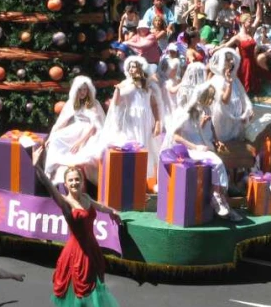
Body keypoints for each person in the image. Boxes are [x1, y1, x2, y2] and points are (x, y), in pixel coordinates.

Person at [34, 150, 120, 307]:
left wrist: (113, 212)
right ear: (66, 183)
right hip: (76, 253)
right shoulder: (65, 203)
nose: (74, 183)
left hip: (92, 250)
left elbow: (98, 206)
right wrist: (37, 165)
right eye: (70, 180)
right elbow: (46, 184)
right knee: (83, 294)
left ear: (82, 181)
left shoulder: (87, 197)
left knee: (87, 294)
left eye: (77, 179)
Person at [163, 84, 240, 220]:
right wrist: (194, 146)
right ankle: (216, 196)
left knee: (222, 161)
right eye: (209, 98)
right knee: (217, 162)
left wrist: (216, 140)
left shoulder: (206, 109)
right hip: (191, 148)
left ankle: (222, 196)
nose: (211, 101)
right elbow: (177, 136)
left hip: (205, 145)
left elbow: (211, 128)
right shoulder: (188, 113)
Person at [101, 56, 163, 188]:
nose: (131, 69)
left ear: (140, 68)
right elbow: (116, 103)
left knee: (147, 147)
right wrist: (117, 90)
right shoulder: (125, 84)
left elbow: (154, 105)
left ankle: (143, 182)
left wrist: (157, 122)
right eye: (129, 67)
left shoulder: (147, 85)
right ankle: (131, 182)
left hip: (145, 120)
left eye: (134, 66)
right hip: (132, 121)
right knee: (135, 145)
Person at [44, 76, 106, 185]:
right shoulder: (72, 103)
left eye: (85, 90)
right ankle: (51, 170)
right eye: (80, 90)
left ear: (89, 90)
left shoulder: (93, 103)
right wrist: (51, 136)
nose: (82, 92)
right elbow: (61, 122)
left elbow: (94, 126)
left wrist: (80, 142)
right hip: (76, 128)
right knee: (56, 139)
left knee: (87, 152)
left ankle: (85, 179)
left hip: (89, 133)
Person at [208, 48, 253, 142]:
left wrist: (248, 109)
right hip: (224, 119)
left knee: (236, 144)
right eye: (228, 59)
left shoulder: (235, 79)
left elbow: (243, 95)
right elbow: (224, 100)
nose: (232, 61)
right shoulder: (217, 81)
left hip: (236, 119)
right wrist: (229, 84)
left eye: (232, 59)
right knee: (225, 144)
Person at [219, 13, 264, 94]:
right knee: (245, 87)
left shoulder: (251, 32)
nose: (251, 23)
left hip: (253, 62)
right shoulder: (238, 37)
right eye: (249, 22)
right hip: (244, 64)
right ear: (243, 23)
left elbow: (258, 17)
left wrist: (259, 3)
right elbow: (226, 45)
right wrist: (215, 49)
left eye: (251, 22)